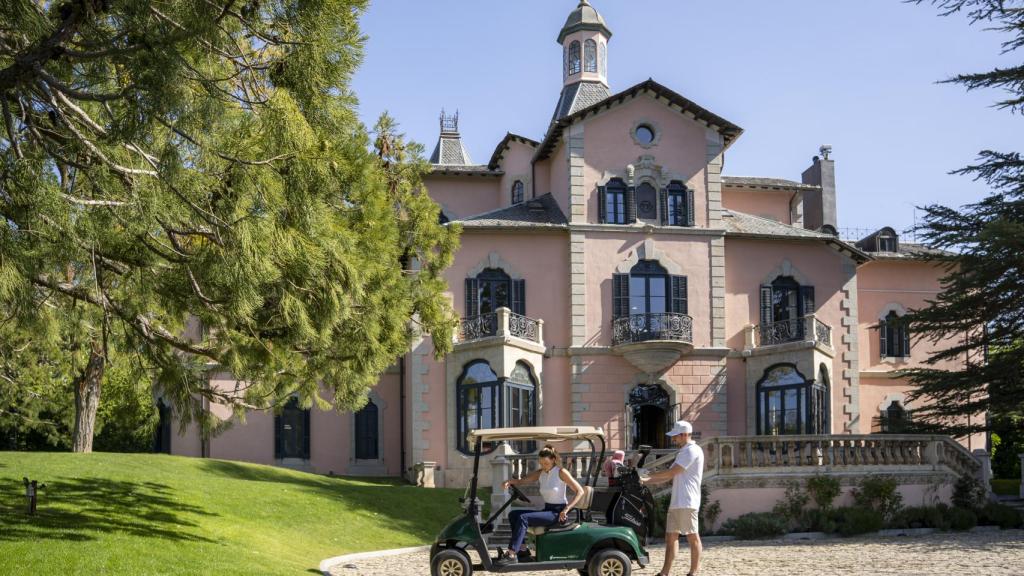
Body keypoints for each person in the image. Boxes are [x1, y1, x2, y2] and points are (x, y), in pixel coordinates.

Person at [500, 444, 585, 564]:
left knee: (523, 518)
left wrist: (566, 509)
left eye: (546, 463)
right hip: (547, 511)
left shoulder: (561, 472)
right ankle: (522, 550)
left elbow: (580, 491)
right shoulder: (541, 473)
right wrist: (509, 481)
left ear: (553, 460)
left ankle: (512, 553)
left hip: (558, 514)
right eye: (541, 463)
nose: (543, 466)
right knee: (513, 514)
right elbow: (523, 481)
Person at [641, 420, 704, 576]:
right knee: (670, 537)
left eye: (675, 436)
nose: (673, 439)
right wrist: (645, 479)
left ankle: (693, 572)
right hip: (678, 501)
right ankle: (664, 573)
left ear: (683, 435)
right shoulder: (683, 452)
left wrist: (646, 479)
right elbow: (666, 477)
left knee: (692, 537)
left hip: (687, 501)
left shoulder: (692, 450)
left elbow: (672, 472)